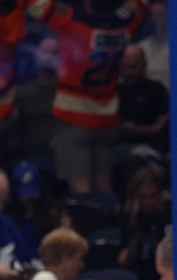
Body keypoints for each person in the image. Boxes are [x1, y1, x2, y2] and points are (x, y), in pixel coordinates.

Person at [27, 0, 148, 195]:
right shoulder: (126, 25)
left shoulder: (72, 22)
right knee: (104, 187)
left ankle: (90, 224)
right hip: (107, 117)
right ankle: (108, 223)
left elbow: (35, 5)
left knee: (80, 190)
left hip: (74, 118)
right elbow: (140, 5)